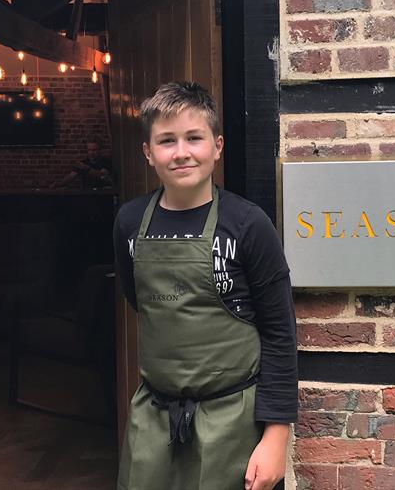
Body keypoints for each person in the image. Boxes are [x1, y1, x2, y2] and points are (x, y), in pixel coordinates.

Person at [113, 82, 298, 490]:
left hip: (233, 423)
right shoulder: (129, 223)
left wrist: (276, 437)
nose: (181, 152)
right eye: (166, 141)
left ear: (217, 146)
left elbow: (280, 333)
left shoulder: (248, 225)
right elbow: (139, 300)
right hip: (154, 421)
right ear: (148, 153)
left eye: (193, 138)